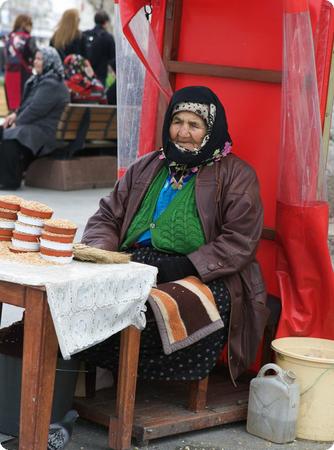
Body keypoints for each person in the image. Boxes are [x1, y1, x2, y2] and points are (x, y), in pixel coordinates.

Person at [76, 86, 270, 384]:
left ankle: (133, 380)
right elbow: (107, 216)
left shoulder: (237, 175)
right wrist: (103, 255)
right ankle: (96, 370)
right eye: (177, 122)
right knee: (78, 296)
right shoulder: (147, 165)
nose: (182, 132)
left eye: (194, 125)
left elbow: (240, 242)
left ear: (212, 129)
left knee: (149, 312)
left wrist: (185, 267)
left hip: (202, 274)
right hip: (134, 263)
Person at [0, 47, 70, 190]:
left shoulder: (52, 84)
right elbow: (29, 105)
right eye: (36, 59)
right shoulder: (42, 80)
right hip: (36, 127)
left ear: (50, 62)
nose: (36, 62)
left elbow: (35, 110)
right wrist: (15, 115)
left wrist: (17, 122)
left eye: (40, 59)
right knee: (6, 131)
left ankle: (9, 181)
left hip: (44, 132)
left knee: (10, 136)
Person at [4, 14, 37, 110]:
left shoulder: (8, 37)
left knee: (12, 107)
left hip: (9, 74)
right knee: (24, 107)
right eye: (30, 24)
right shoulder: (28, 38)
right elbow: (36, 55)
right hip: (24, 74)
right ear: (24, 24)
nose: (31, 27)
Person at [84, 10, 116, 87]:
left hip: (85, 75)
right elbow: (113, 59)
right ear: (105, 22)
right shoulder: (108, 37)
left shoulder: (85, 34)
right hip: (100, 76)